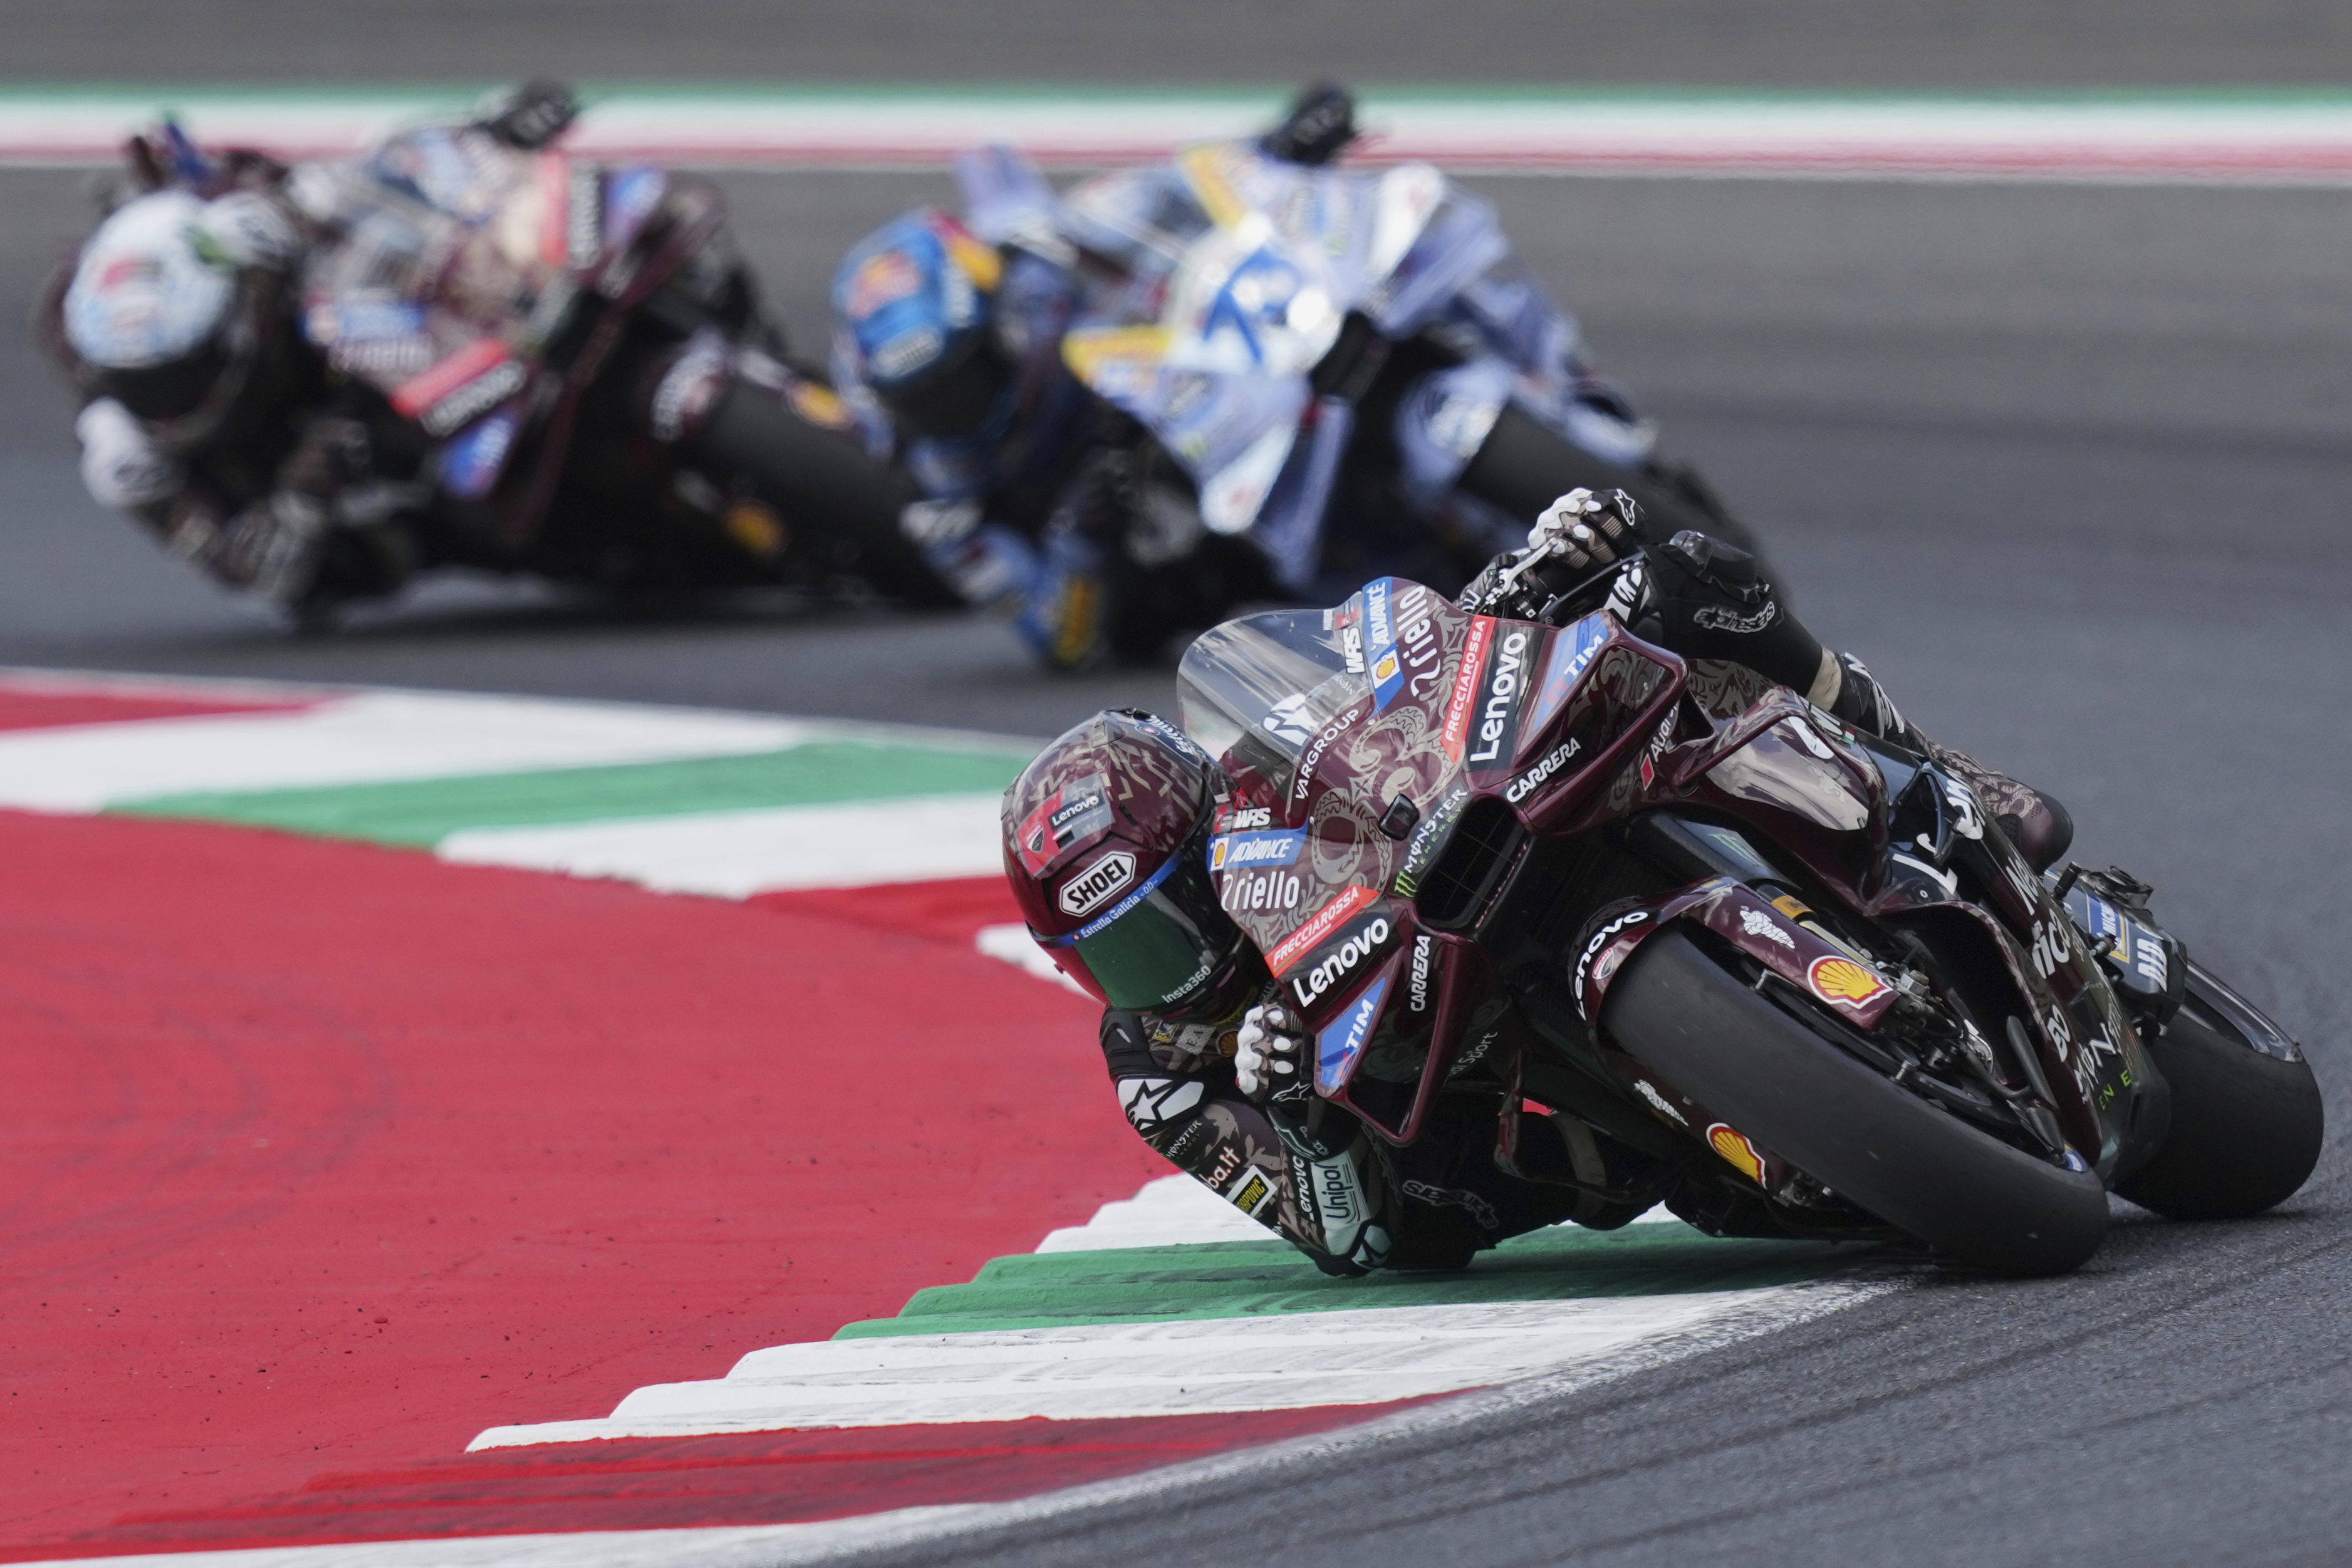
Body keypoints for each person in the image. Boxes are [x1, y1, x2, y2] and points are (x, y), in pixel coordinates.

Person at [999, 493, 2071, 1274]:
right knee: (1442, 1193)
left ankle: (1944, 768)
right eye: (1120, 960)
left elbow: (1400, 680)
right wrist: (1305, 1114)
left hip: (1461, 884)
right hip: (1473, 1123)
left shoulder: (1264, 769)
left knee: (1690, 583)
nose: (1170, 971)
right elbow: (1350, 1237)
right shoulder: (1160, 1067)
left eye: (1170, 921)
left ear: (1205, 834)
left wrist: (1525, 574)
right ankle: (1737, 1115)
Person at [835, 83, 1743, 673]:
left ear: (991, 315)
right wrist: (1084, 534)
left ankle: (1587, 404)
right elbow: (1054, 633)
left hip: (1242, 371)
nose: (959, 405)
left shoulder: (1039, 263)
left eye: (964, 375)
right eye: (932, 398)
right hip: (1181, 529)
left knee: (1440, 273)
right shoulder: (939, 491)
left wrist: (1273, 148)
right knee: (1275, 594)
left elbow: (1165, 196)